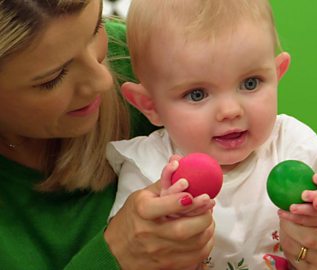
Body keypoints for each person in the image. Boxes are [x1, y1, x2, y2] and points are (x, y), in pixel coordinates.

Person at [107, 0, 317, 269]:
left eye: (250, 83)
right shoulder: (146, 170)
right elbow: (131, 254)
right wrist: (166, 222)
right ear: (150, 105)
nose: (230, 111)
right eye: (197, 94)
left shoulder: (297, 147)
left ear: (277, 74)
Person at [0, 0, 216, 269]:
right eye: (53, 78)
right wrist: (114, 256)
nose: (104, 80)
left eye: (95, 28)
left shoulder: (147, 59)